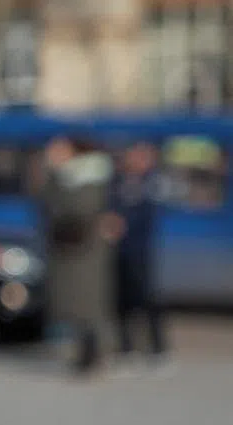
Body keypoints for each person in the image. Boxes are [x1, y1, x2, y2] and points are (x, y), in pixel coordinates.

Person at [40, 136, 116, 375]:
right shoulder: (64, 177)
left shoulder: (90, 177)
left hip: (85, 251)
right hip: (71, 251)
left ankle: (96, 353)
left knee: (90, 304)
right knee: (76, 304)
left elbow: (79, 212)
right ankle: (84, 353)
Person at [109, 141, 169, 372]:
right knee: (121, 302)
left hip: (139, 252)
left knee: (147, 300)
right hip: (119, 251)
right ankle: (126, 348)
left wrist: (123, 224)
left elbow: (148, 215)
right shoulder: (117, 182)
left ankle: (158, 349)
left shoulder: (152, 184)